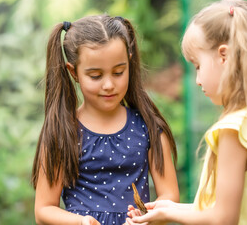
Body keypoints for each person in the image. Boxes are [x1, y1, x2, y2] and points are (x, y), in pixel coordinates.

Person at [126, 0, 247, 225]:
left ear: (223, 56)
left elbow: (224, 218)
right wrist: (173, 207)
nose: (197, 80)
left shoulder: (234, 129)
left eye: (197, 66)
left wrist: (169, 214)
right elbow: (238, 206)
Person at [31, 14, 180, 225]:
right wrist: (82, 222)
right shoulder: (62, 133)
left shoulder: (149, 127)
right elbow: (44, 209)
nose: (109, 84)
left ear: (129, 61)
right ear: (73, 72)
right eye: (96, 76)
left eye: (118, 72)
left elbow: (170, 195)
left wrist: (147, 218)